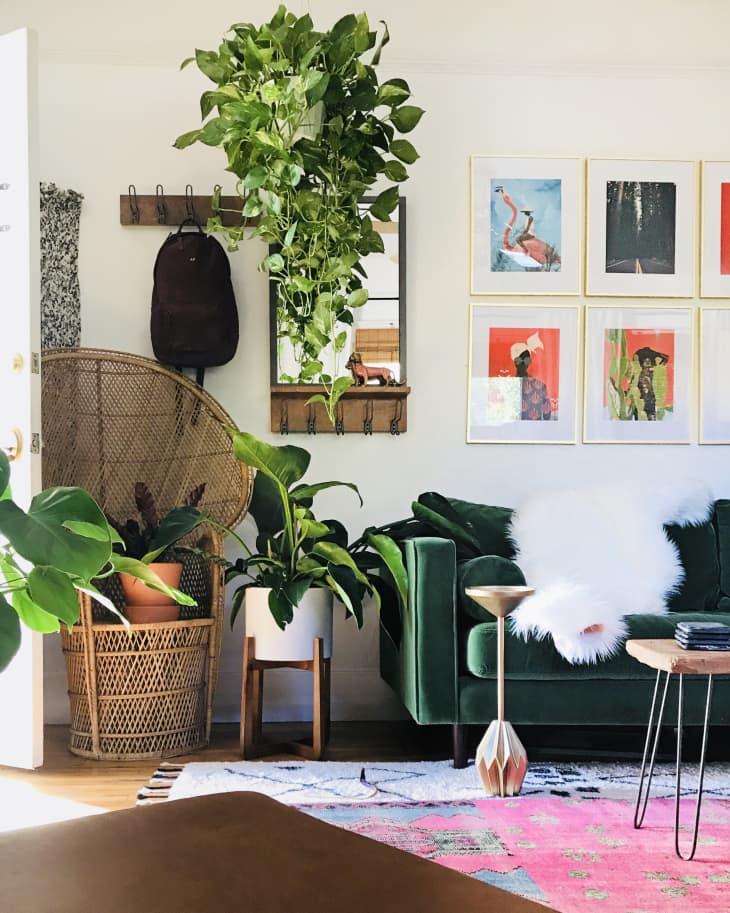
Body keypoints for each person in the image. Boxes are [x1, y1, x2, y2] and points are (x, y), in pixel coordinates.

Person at [510, 337, 551, 421]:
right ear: (514, 361)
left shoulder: (541, 386)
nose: (523, 363)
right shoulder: (507, 386)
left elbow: (547, 416)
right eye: (519, 360)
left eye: (526, 360)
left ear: (529, 362)